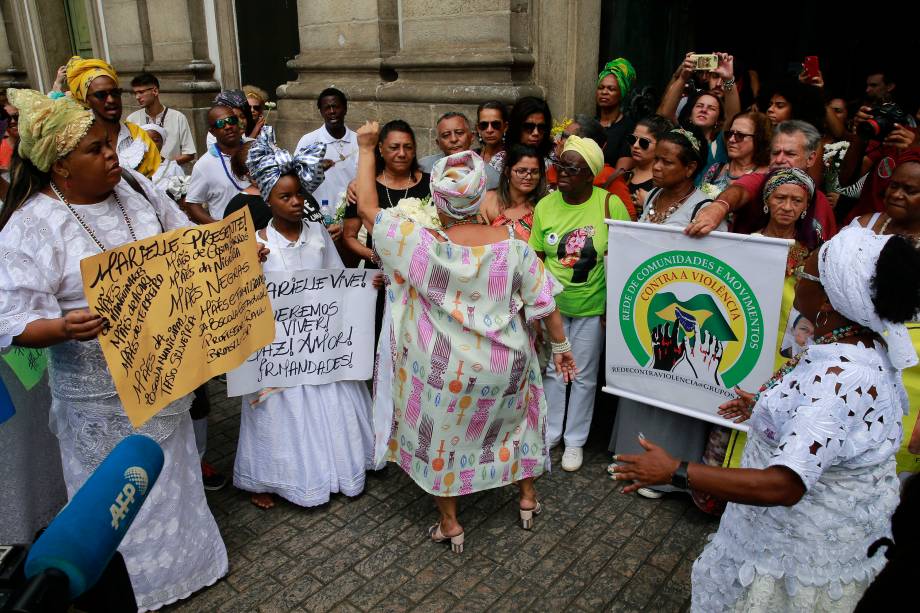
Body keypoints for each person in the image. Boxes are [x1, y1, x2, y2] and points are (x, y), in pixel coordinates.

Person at [612, 225, 920, 611]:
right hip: (795, 530)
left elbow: (784, 485)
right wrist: (764, 405)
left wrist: (675, 470)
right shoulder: (857, 341)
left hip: (794, 547)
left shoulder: (839, 380)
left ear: (829, 300)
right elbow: (826, 424)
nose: (795, 278)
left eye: (804, 274)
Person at [0, 88, 227, 610]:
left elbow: (185, 239)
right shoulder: (32, 225)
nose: (112, 156)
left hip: (164, 372)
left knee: (172, 476)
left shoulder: (137, 188)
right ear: (60, 167)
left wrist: (230, 250)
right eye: (96, 149)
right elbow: (12, 320)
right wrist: (60, 327)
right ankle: (134, 590)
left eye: (110, 144)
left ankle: (190, 566)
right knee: (115, 495)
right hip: (100, 396)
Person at [355, 121, 576, 552]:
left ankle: (451, 523)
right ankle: (527, 498)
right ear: (482, 195)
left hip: (445, 372)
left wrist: (366, 149)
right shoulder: (515, 246)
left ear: (437, 199)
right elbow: (545, 303)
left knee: (444, 439)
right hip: (506, 365)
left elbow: (366, 209)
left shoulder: (420, 244)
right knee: (518, 425)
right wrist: (563, 349)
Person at [231, 127, 376, 509]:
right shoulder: (257, 242)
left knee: (330, 401)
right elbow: (241, 301)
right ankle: (271, 477)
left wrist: (365, 287)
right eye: (285, 196)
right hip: (279, 347)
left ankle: (337, 467)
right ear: (267, 198)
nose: (296, 202)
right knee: (278, 415)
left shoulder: (317, 234)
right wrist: (247, 267)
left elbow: (336, 281)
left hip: (319, 341)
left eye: (299, 194)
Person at [693, 168, 823, 514]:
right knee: (729, 412)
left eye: (797, 200)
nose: (787, 206)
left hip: (788, 353)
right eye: (780, 198)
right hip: (744, 345)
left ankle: (756, 501)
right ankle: (714, 495)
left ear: (806, 206)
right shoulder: (744, 244)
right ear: (766, 201)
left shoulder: (815, 255)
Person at [608, 127, 724, 497]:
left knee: (674, 384)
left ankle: (669, 471)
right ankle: (633, 457)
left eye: (666, 161)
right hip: (648, 304)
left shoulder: (705, 207)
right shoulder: (654, 194)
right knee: (644, 377)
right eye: (655, 158)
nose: (655, 167)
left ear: (690, 167)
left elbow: (713, 264)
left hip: (683, 310)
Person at [531, 135, 631, 471]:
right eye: (559, 166)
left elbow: (623, 258)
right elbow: (536, 257)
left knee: (584, 376)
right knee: (553, 371)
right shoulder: (545, 205)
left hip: (592, 308)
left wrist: (611, 307)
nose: (561, 174)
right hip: (554, 307)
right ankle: (552, 433)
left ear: (589, 174)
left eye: (571, 169)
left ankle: (575, 442)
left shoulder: (608, 205)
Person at [851, 150, 920, 482]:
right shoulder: (864, 226)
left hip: (908, 368)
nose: (896, 194)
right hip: (855, 352)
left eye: (909, 190)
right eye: (894, 186)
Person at [688, 120, 838, 240]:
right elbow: (738, 191)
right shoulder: (760, 181)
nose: (780, 160)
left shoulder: (821, 202)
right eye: (775, 153)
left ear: (810, 158)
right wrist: (719, 207)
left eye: (790, 154)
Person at [342, 119, 430, 266]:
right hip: (378, 274)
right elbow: (349, 236)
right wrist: (375, 257)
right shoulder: (365, 188)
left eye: (407, 147)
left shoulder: (430, 184)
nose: (402, 153)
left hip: (421, 270)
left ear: (414, 150)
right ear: (381, 149)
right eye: (394, 147)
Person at [65, 56, 160, 178]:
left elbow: (159, 180)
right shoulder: (79, 142)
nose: (111, 100)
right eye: (101, 95)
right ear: (86, 100)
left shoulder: (137, 135)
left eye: (115, 93)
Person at [658, 52, 741, 168]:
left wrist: (728, 79)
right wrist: (683, 77)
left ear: (718, 119)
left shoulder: (721, 143)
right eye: (699, 106)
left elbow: (733, 118)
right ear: (690, 114)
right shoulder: (680, 135)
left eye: (711, 108)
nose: (704, 110)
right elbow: (665, 114)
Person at [547, 115, 635, 218]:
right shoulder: (553, 169)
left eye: (569, 138)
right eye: (563, 136)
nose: (560, 142)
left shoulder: (608, 177)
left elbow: (629, 223)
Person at [183, 103, 252, 224]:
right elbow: (193, 204)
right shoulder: (204, 165)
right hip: (233, 236)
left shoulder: (256, 148)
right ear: (212, 132)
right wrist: (218, 227)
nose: (228, 126)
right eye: (220, 124)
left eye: (231, 120)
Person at [295, 87, 357, 213]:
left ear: (345, 109)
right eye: (327, 108)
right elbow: (295, 177)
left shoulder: (360, 141)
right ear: (321, 112)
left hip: (353, 214)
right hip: (321, 214)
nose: (332, 111)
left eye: (336, 107)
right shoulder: (309, 141)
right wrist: (316, 168)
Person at [479, 144, 547, 240]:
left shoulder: (544, 206)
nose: (528, 177)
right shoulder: (489, 199)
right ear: (507, 172)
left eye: (535, 172)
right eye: (521, 171)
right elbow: (479, 239)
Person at [127, 72, 196, 165]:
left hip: (172, 175)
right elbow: (128, 154)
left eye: (141, 92)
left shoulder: (178, 117)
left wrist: (167, 165)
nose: (137, 97)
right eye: (135, 93)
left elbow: (189, 154)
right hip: (144, 175)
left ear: (155, 91)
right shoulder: (132, 120)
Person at [699, 111, 771, 193]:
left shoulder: (766, 176)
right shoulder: (716, 169)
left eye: (740, 135)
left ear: (759, 138)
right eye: (730, 134)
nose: (731, 140)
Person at [621, 115, 673, 214]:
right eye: (632, 139)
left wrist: (649, 204)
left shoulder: (665, 183)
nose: (635, 145)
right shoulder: (623, 175)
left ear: (661, 146)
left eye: (644, 142)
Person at [595, 57, 637, 168]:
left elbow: (621, 172)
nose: (604, 92)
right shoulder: (591, 124)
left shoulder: (629, 129)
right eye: (601, 87)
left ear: (621, 93)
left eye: (611, 89)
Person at [506, 97, 554, 162]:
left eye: (541, 127)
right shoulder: (502, 159)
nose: (536, 133)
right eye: (528, 127)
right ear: (516, 127)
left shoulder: (554, 158)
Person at [141, 124, 185, 193]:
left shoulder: (173, 168)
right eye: (146, 140)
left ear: (163, 143)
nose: (151, 144)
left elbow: (182, 195)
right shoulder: (133, 167)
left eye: (155, 140)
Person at [475, 100, 508, 171]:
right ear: (478, 128)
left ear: (505, 127)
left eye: (496, 125)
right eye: (484, 125)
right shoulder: (472, 156)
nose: (489, 130)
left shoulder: (514, 157)